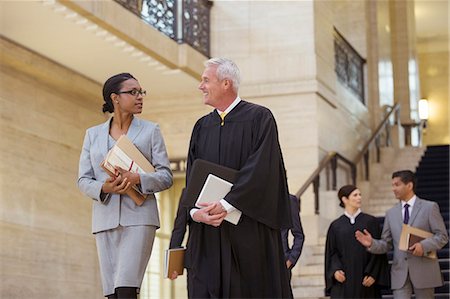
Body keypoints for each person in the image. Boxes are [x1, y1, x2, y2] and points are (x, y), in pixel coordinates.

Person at [175, 57, 293, 298]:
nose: (200, 86)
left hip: (247, 230)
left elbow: (263, 169)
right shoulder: (201, 126)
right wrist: (195, 213)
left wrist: (228, 204)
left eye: (205, 80)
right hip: (208, 230)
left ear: (226, 83)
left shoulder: (260, 118)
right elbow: (192, 178)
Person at [77, 73, 173, 299]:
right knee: (112, 294)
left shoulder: (151, 131)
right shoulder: (92, 135)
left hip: (140, 219)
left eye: (141, 92)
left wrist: (137, 178)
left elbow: (166, 176)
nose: (140, 97)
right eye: (133, 92)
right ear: (115, 98)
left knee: (126, 289)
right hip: (104, 220)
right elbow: (83, 180)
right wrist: (105, 188)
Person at [355, 170, 449, 299]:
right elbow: (386, 244)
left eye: (397, 184)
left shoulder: (429, 207)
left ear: (409, 186)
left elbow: (442, 236)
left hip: (424, 270)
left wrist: (424, 245)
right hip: (400, 273)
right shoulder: (390, 213)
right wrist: (372, 243)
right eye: (392, 185)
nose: (393, 189)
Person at [325, 185, 390, 298]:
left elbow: (378, 250)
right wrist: (335, 271)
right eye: (355, 195)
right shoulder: (336, 226)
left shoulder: (371, 221)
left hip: (365, 280)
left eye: (360, 195)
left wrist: (373, 274)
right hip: (343, 282)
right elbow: (332, 252)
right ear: (344, 199)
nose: (359, 198)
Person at [281, 194, 305, 282]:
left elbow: (299, 235)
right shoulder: (258, 198)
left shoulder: (288, 200)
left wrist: (291, 259)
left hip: (282, 263)